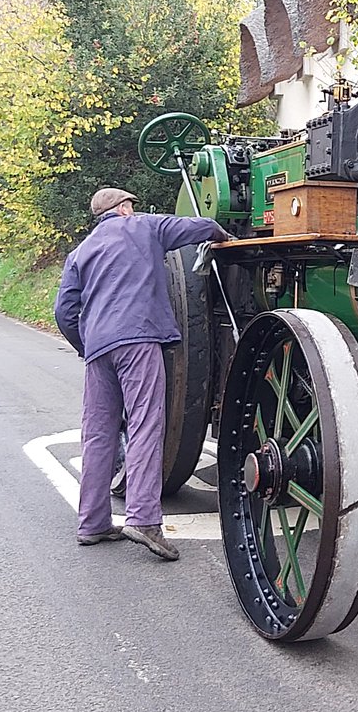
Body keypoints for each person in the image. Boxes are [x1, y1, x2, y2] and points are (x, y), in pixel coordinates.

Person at [54, 187, 229, 561]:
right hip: (138, 341)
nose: (133, 209)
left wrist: (87, 344)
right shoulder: (145, 226)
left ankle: (92, 523)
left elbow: (64, 312)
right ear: (122, 209)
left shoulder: (80, 252)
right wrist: (222, 234)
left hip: (98, 351)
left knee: (98, 434)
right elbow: (199, 226)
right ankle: (144, 519)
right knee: (146, 425)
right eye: (130, 204)